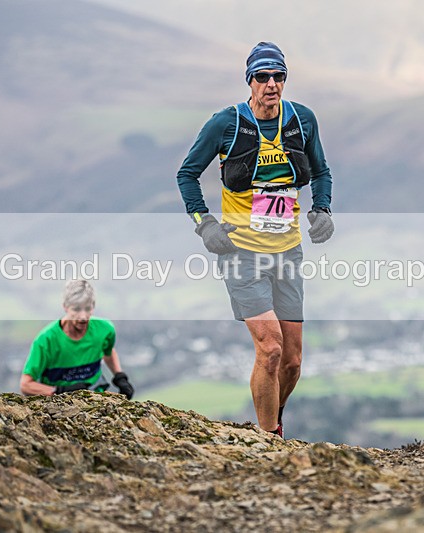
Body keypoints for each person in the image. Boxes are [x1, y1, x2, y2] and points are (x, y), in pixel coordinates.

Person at [176, 42, 334, 437]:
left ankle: (273, 418)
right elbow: (187, 174)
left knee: (292, 361)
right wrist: (205, 225)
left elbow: (321, 172)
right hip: (241, 254)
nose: (271, 84)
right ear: (250, 81)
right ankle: (268, 441)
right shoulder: (225, 124)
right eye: (262, 77)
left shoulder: (302, 120)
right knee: (270, 347)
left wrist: (323, 209)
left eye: (278, 76)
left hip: (287, 252)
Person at [19, 279, 134, 399]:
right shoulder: (46, 340)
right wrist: (60, 391)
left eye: (88, 309)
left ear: (93, 306)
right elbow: (26, 385)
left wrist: (119, 376)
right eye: (77, 309)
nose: (83, 317)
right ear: (65, 307)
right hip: (60, 403)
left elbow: (108, 352)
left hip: (96, 395)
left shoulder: (105, 329)